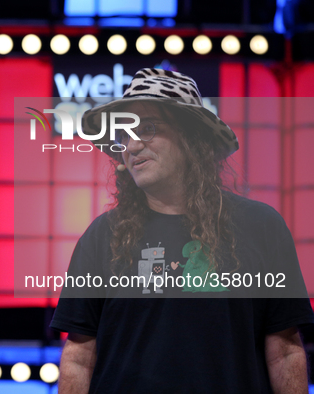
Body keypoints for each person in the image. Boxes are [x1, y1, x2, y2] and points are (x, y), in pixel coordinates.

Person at [50, 68, 314, 393]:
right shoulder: (103, 236)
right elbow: (78, 357)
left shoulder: (263, 227)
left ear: (192, 138)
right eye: (122, 134)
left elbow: (285, 353)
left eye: (146, 129)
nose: (131, 146)